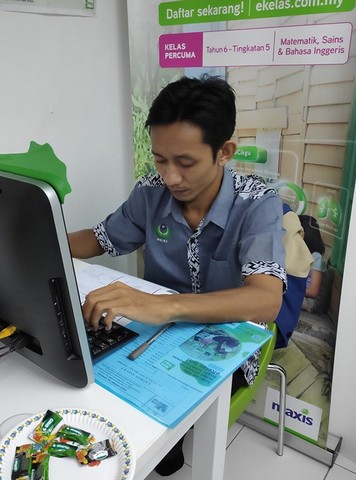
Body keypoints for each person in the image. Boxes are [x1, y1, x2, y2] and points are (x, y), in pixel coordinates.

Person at [68, 75, 287, 475]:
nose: (170, 177)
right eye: (160, 159)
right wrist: (41, 241)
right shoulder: (151, 191)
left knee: (143, 425)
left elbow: (266, 300)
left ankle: (168, 448)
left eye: (185, 163)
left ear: (224, 152)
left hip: (223, 343)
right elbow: (101, 238)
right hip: (151, 331)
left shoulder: (257, 203)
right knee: (87, 375)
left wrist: (163, 306)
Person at [298, 215, 326, 313]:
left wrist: (290, 289)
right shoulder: (298, 253)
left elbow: (313, 291)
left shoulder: (316, 257)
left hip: (309, 301)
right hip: (297, 293)